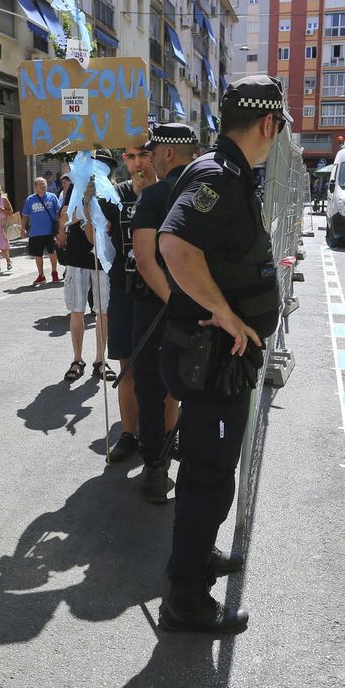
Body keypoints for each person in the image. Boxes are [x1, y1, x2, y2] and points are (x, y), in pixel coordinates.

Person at [154, 76, 287, 634]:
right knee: (208, 477)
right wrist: (227, 314)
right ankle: (186, 598)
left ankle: (198, 554)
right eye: (279, 128)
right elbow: (173, 243)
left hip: (216, 359)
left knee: (207, 472)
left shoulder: (229, 172)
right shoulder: (218, 176)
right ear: (268, 124)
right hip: (212, 357)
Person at [133, 123, 198, 502]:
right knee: (196, 384)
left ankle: (156, 468)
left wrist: (174, 301)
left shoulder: (156, 196)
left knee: (152, 389)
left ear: (169, 153)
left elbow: (144, 259)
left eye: (154, 151)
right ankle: (192, 461)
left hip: (158, 309)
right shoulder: (208, 193)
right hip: (204, 307)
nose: (151, 158)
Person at [104, 141, 156, 465]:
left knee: (162, 366)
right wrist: (84, 204)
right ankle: (128, 433)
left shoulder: (167, 192)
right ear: (124, 159)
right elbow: (96, 238)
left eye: (144, 155)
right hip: (123, 289)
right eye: (132, 157)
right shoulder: (115, 194)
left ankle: (167, 433)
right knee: (127, 367)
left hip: (158, 290)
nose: (138, 163)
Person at [56, 154, 114, 384]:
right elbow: (65, 217)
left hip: (102, 258)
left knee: (103, 311)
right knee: (76, 310)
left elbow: (105, 227)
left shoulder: (111, 190)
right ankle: (77, 359)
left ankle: (100, 359)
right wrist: (79, 210)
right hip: (77, 257)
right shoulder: (75, 187)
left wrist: (90, 208)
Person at [21, 176, 62, 285]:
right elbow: (25, 215)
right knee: (38, 255)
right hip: (36, 232)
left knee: (52, 252)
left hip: (50, 232)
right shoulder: (30, 199)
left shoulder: (52, 197)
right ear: (35, 186)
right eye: (41, 184)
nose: (43, 185)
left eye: (44, 183)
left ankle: (54, 272)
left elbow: (59, 213)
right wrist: (23, 228)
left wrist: (60, 228)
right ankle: (41, 275)